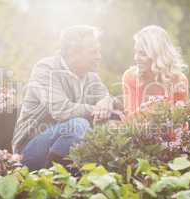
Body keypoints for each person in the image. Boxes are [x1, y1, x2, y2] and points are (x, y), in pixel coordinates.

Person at [12, 25, 124, 171]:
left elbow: (106, 98)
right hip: (30, 147)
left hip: (68, 145)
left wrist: (107, 101)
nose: (99, 57)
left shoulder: (91, 76)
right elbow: (61, 110)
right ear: (73, 52)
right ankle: (54, 180)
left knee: (109, 129)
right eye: (93, 52)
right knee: (78, 125)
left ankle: (69, 177)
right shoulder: (46, 69)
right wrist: (99, 109)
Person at [122, 25, 189, 117]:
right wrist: (144, 112)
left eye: (142, 54)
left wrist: (179, 99)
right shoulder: (130, 77)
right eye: (136, 52)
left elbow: (181, 125)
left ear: (157, 55)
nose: (136, 58)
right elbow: (129, 123)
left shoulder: (179, 80)